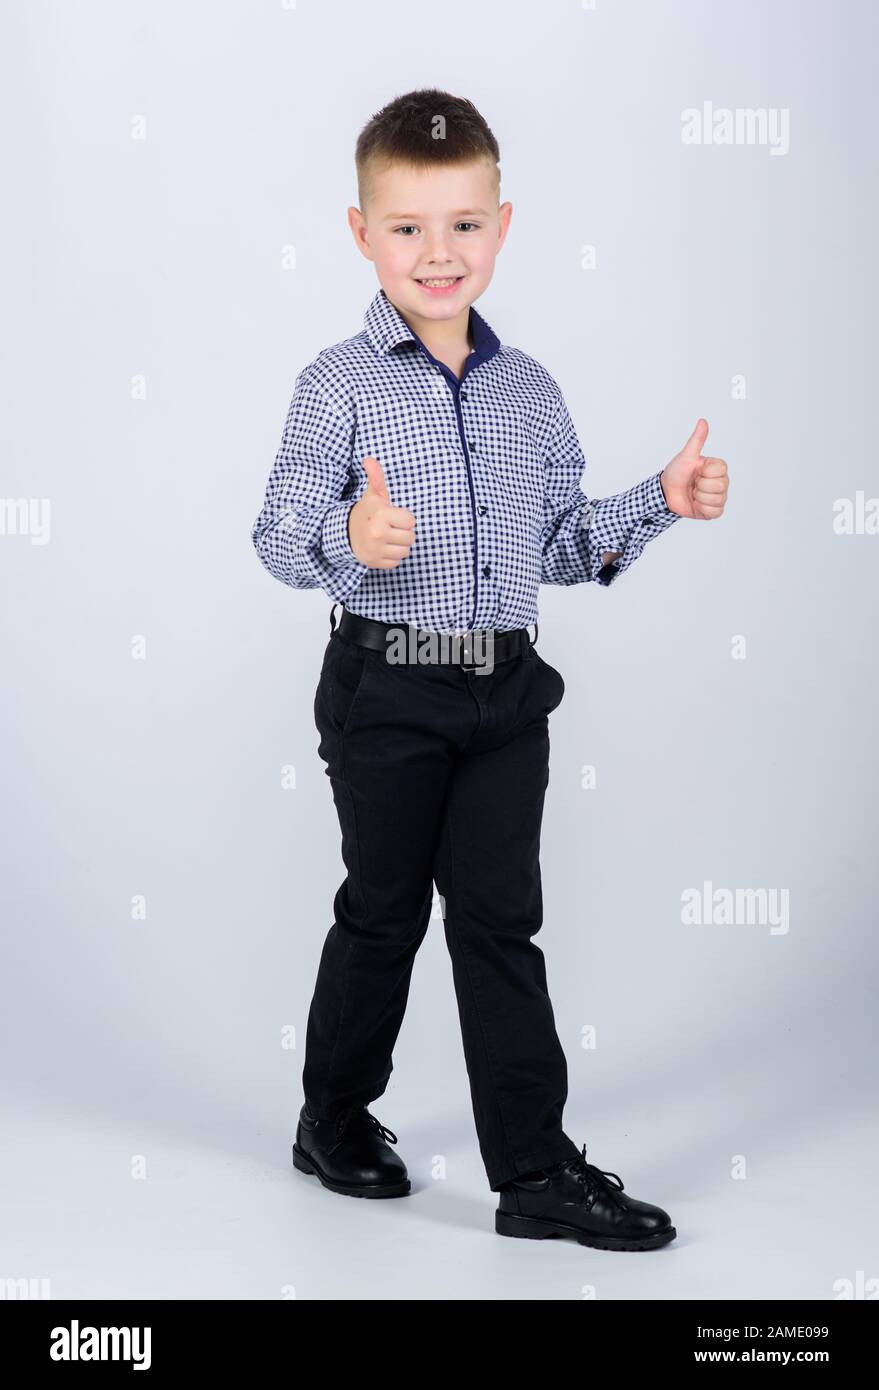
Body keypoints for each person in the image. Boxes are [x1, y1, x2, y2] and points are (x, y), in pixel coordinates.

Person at [250, 89, 729, 1251]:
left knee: (501, 921)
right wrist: (344, 546)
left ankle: (534, 1170)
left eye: (464, 224)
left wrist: (655, 506)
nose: (439, 252)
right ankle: (333, 1116)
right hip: (390, 690)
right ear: (361, 234)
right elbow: (273, 536)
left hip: (505, 693)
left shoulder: (529, 390)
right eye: (408, 227)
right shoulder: (338, 384)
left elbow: (562, 542)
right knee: (384, 910)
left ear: (502, 228)